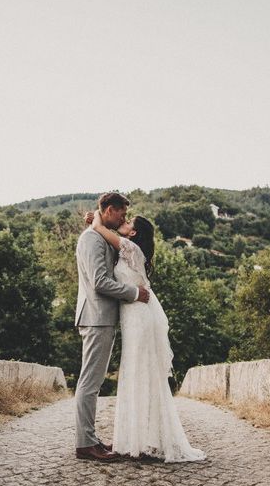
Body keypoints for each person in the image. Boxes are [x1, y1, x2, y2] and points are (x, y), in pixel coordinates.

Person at [88, 209, 206, 463]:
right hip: (133, 316)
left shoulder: (131, 248)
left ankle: (144, 441)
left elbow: (99, 229)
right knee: (136, 372)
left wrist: (96, 216)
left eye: (128, 222)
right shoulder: (128, 249)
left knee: (140, 372)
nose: (124, 222)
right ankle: (139, 439)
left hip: (139, 317)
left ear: (134, 232)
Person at [74, 192, 150, 462]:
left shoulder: (98, 233)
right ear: (108, 210)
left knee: (93, 382)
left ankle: (90, 438)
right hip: (96, 317)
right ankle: (85, 444)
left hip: (102, 317)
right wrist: (133, 293)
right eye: (121, 213)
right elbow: (100, 282)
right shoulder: (92, 239)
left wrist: (96, 222)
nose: (123, 218)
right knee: (90, 383)